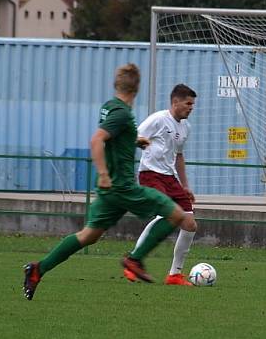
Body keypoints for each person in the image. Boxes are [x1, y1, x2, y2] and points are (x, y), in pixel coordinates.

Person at [22, 63, 194, 300]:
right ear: (137, 89)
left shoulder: (109, 107)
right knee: (177, 215)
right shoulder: (122, 113)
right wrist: (103, 173)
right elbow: (97, 140)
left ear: (117, 85)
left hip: (109, 192)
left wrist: (134, 142)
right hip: (123, 187)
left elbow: (113, 137)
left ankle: (38, 269)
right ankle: (134, 259)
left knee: (88, 236)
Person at [133, 84, 199, 286]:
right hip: (150, 174)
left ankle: (175, 275)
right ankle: (133, 261)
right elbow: (135, 136)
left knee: (190, 223)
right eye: (188, 103)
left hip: (170, 178)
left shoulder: (185, 127)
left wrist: (185, 186)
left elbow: (178, 156)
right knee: (167, 215)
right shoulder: (159, 119)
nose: (191, 108)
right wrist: (142, 144)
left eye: (193, 104)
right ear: (175, 102)